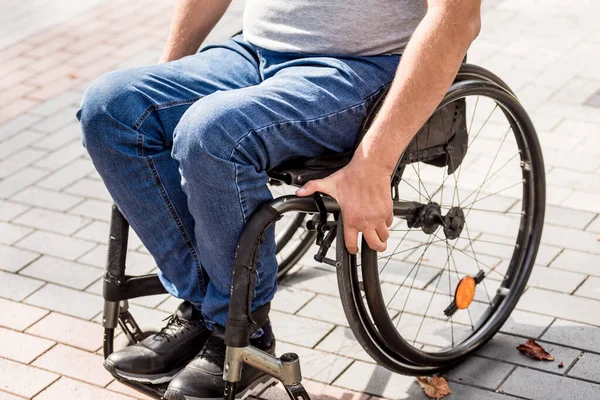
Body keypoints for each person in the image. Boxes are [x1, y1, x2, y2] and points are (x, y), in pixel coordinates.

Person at [77, 0, 481, 398]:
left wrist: (374, 164)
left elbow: (457, 18)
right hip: (253, 50)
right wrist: (165, 77)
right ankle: (211, 309)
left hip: (361, 68)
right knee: (112, 107)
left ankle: (241, 333)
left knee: (212, 135)